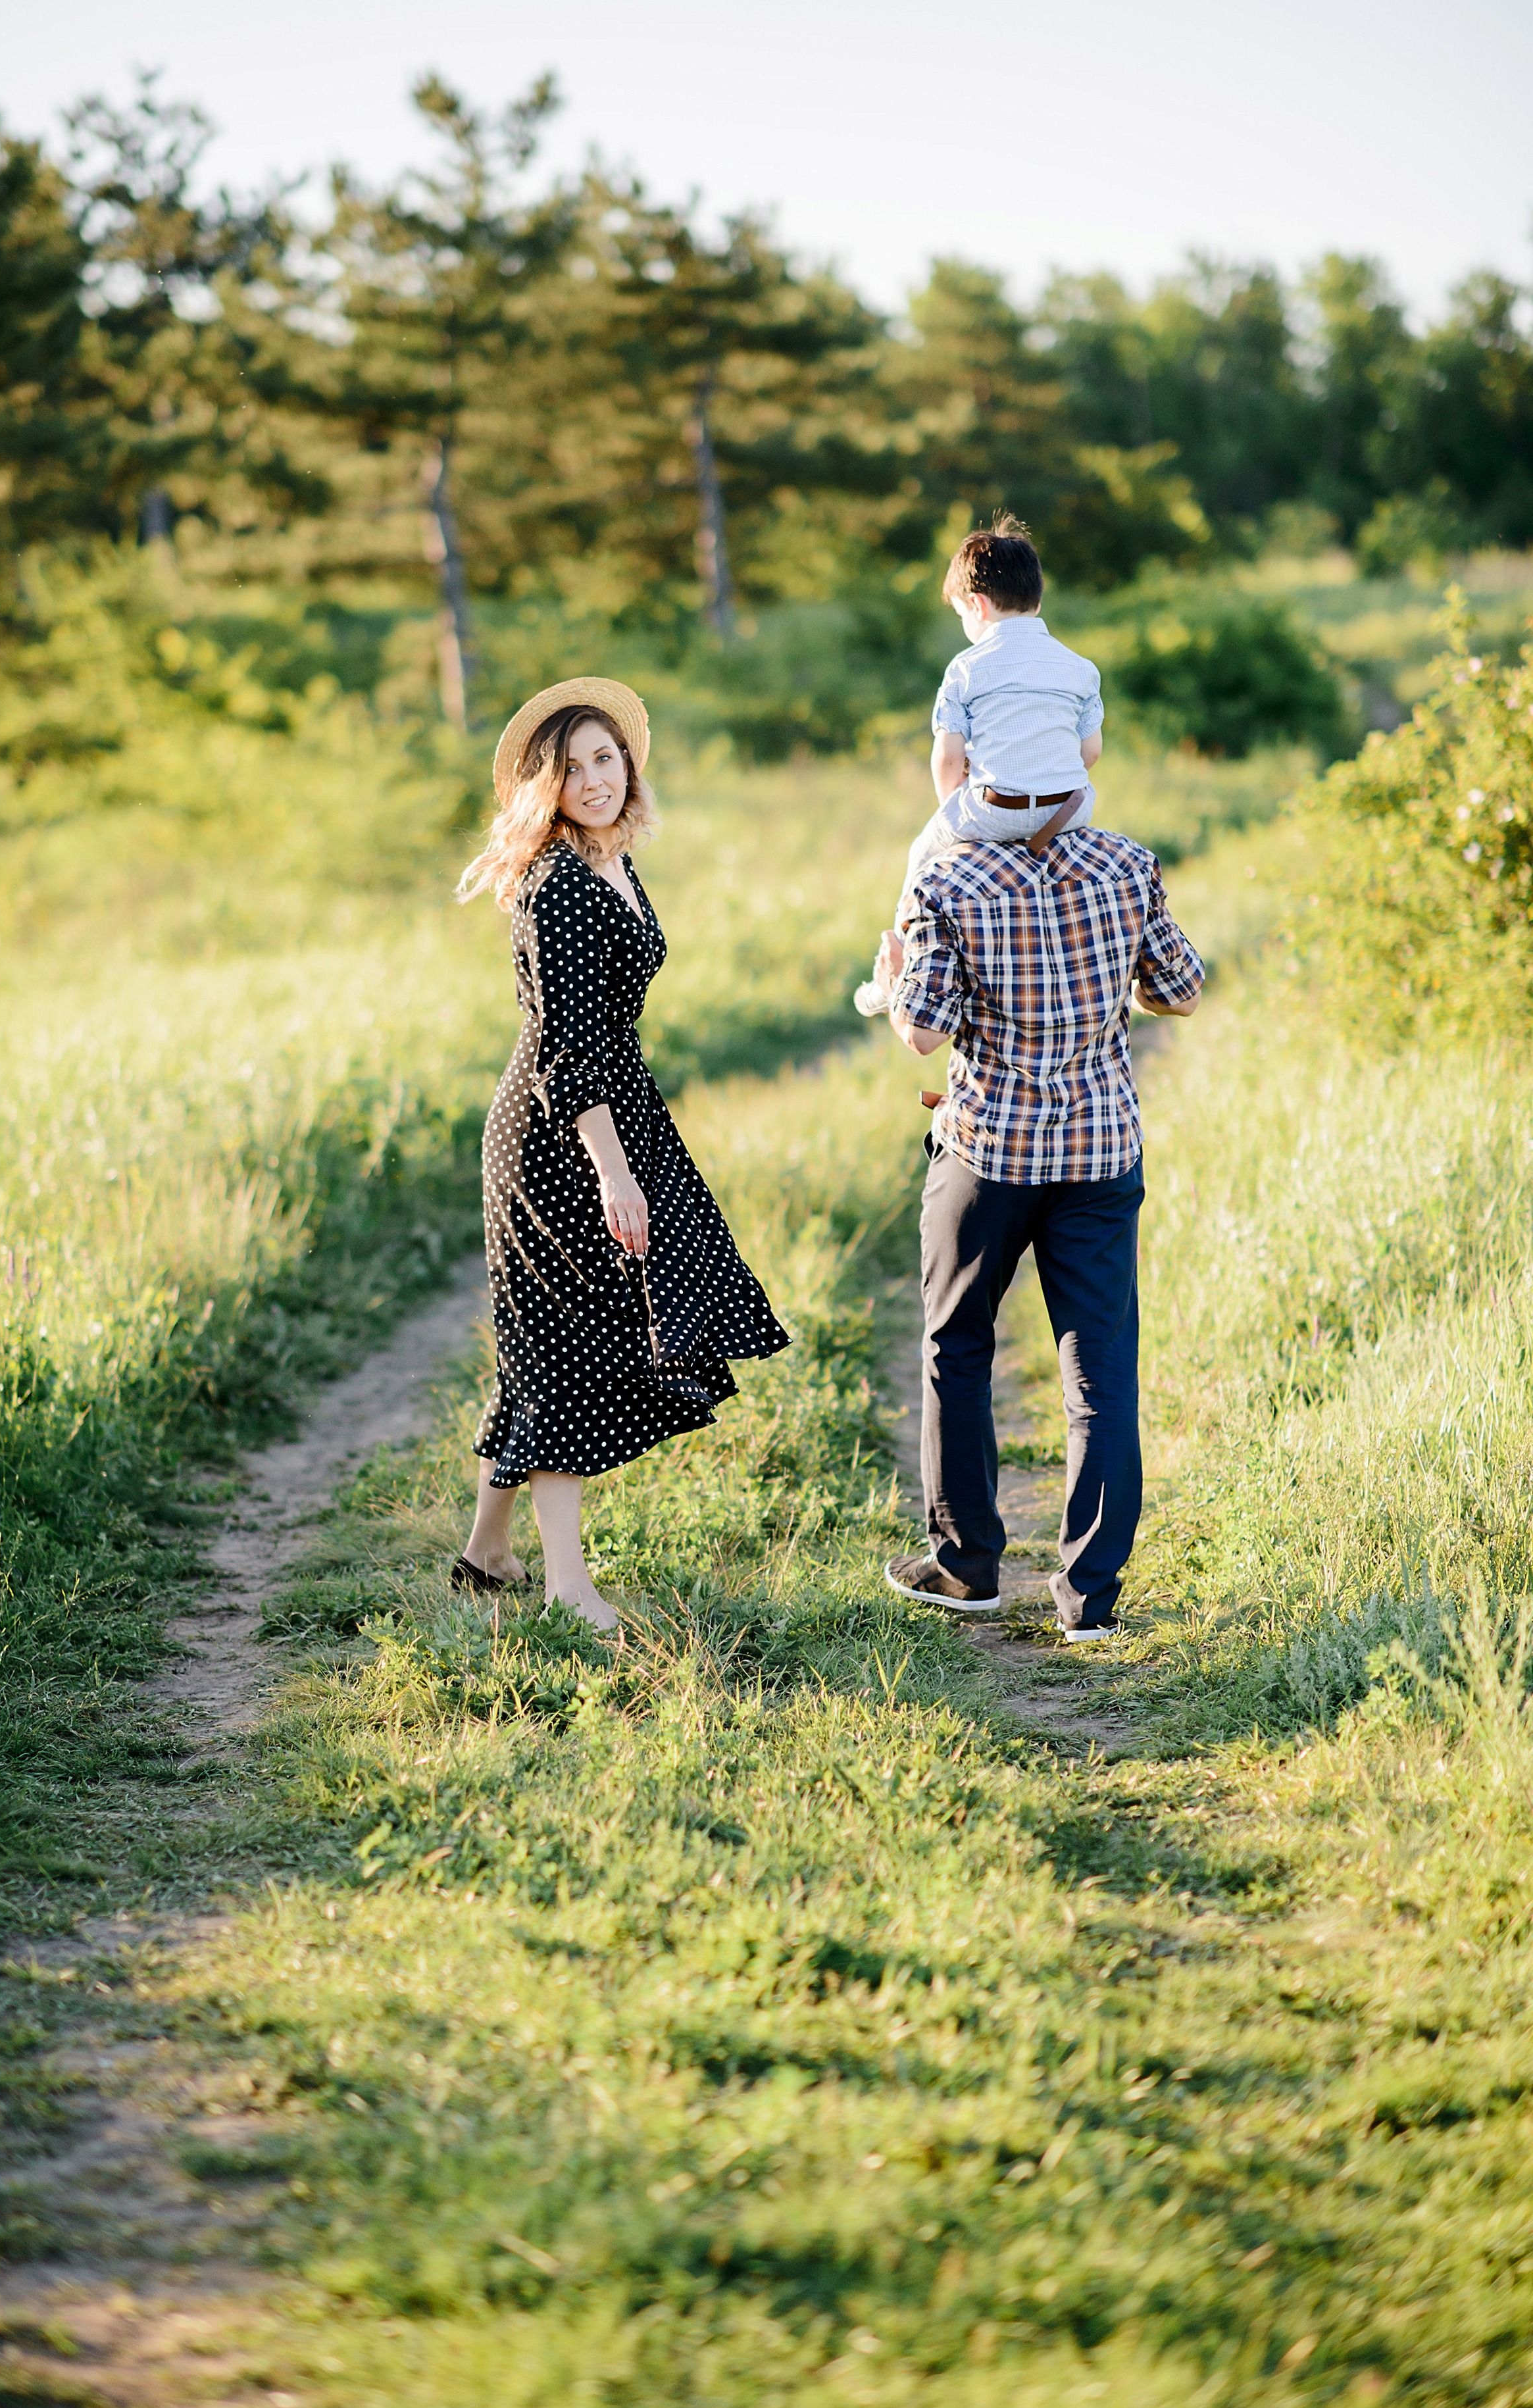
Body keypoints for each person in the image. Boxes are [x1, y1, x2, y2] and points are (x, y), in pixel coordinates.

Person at [452, 676, 790, 1632]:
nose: (595, 779)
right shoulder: (560, 885)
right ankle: (566, 1588)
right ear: (545, 787)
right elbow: (569, 1047)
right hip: (561, 1131)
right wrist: (612, 1168)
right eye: (572, 768)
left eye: (606, 758)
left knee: (551, 1337)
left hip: (612, 1110)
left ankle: (487, 1552)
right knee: (566, 1343)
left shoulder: (610, 860)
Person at [872, 740, 1205, 1642]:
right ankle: (1090, 1601)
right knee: (1100, 1372)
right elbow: (1180, 992)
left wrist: (897, 978)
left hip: (986, 1153)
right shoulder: (1128, 864)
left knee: (957, 1347)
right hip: (1100, 1153)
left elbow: (922, 1031)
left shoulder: (947, 877)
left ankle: (966, 1566)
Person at [853, 517, 1105, 1016]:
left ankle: (898, 963)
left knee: (922, 852)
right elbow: (1090, 752)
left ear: (977, 605)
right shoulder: (1080, 667)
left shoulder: (966, 668)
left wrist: (954, 811)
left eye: (961, 615)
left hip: (995, 810)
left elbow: (948, 758)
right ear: (1037, 599)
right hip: (1070, 810)